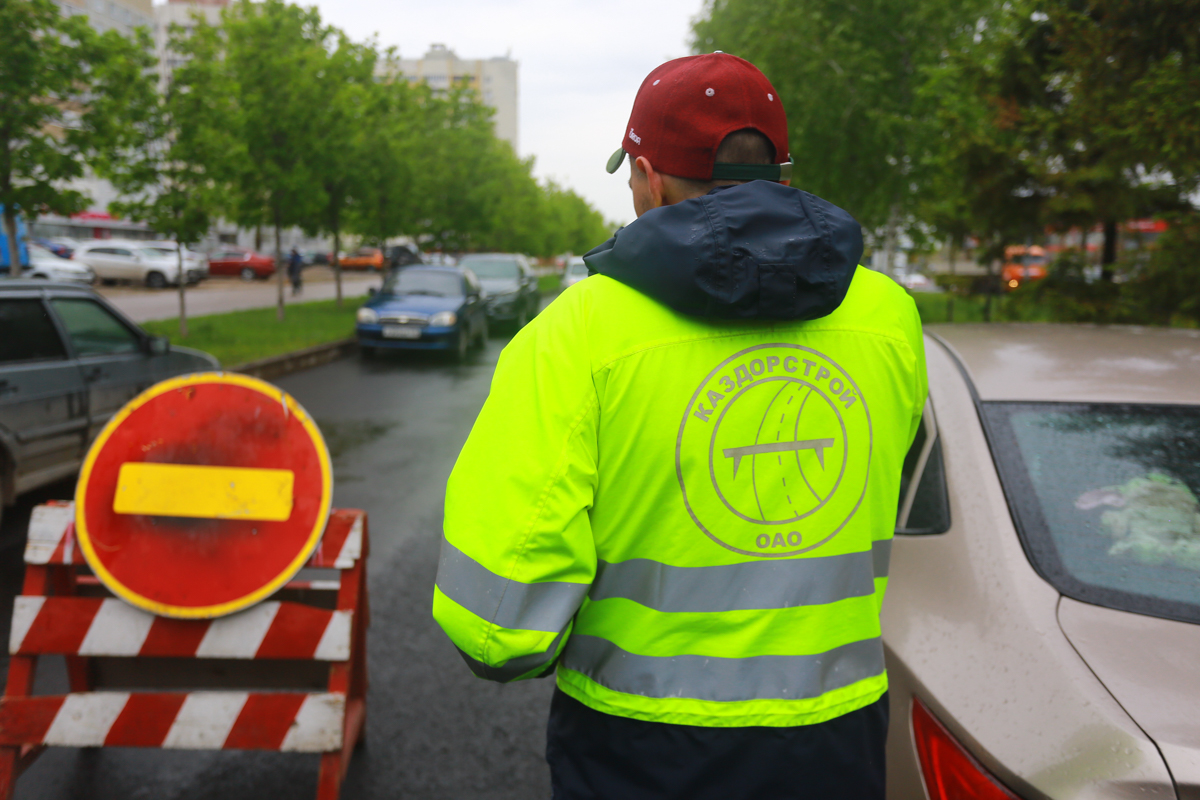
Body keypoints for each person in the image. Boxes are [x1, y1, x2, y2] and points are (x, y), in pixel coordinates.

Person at [434, 53, 926, 800]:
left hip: (638, 749)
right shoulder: (889, 318)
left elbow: (496, 627)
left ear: (648, 177)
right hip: (839, 741)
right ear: (781, 175)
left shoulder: (578, 333)